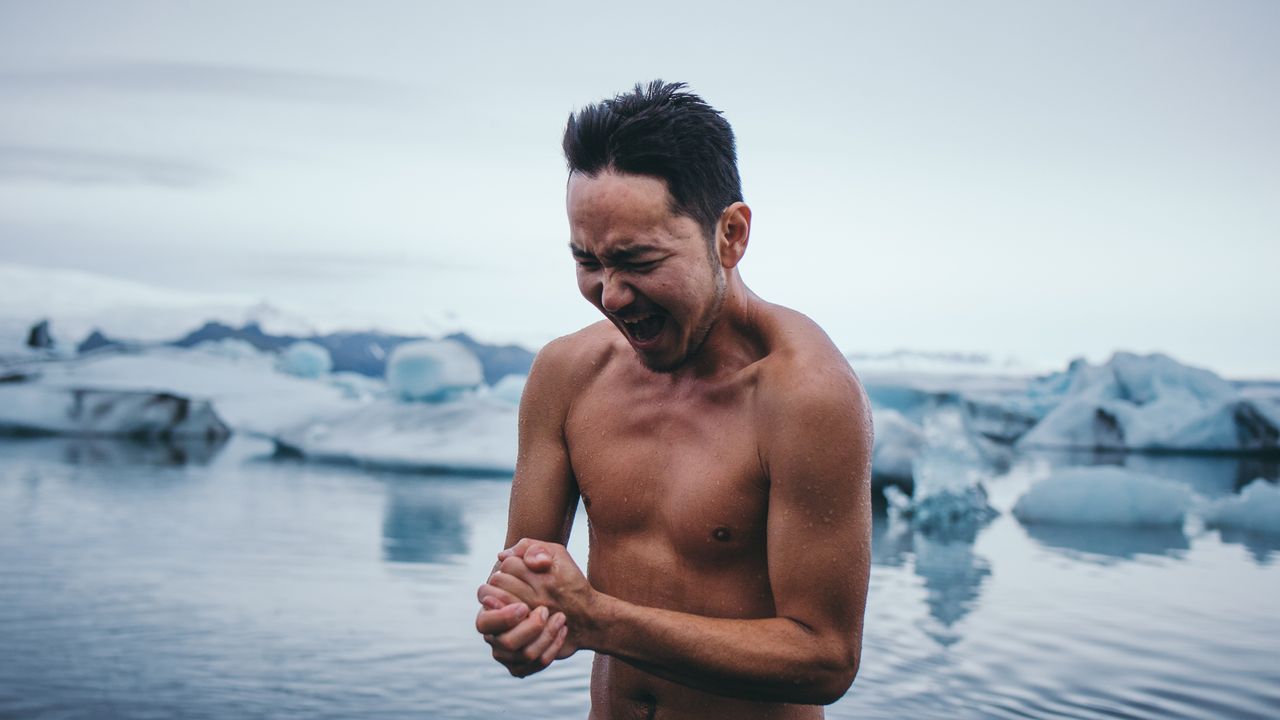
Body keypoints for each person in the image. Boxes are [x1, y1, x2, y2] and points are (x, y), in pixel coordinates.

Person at [474, 80, 873, 719]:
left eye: (638, 260)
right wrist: (519, 627)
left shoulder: (804, 396)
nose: (611, 295)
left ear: (731, 236)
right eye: (588, 261)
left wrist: (597, 621)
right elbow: (530, 587)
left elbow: (825, 657)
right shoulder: (566, 374)